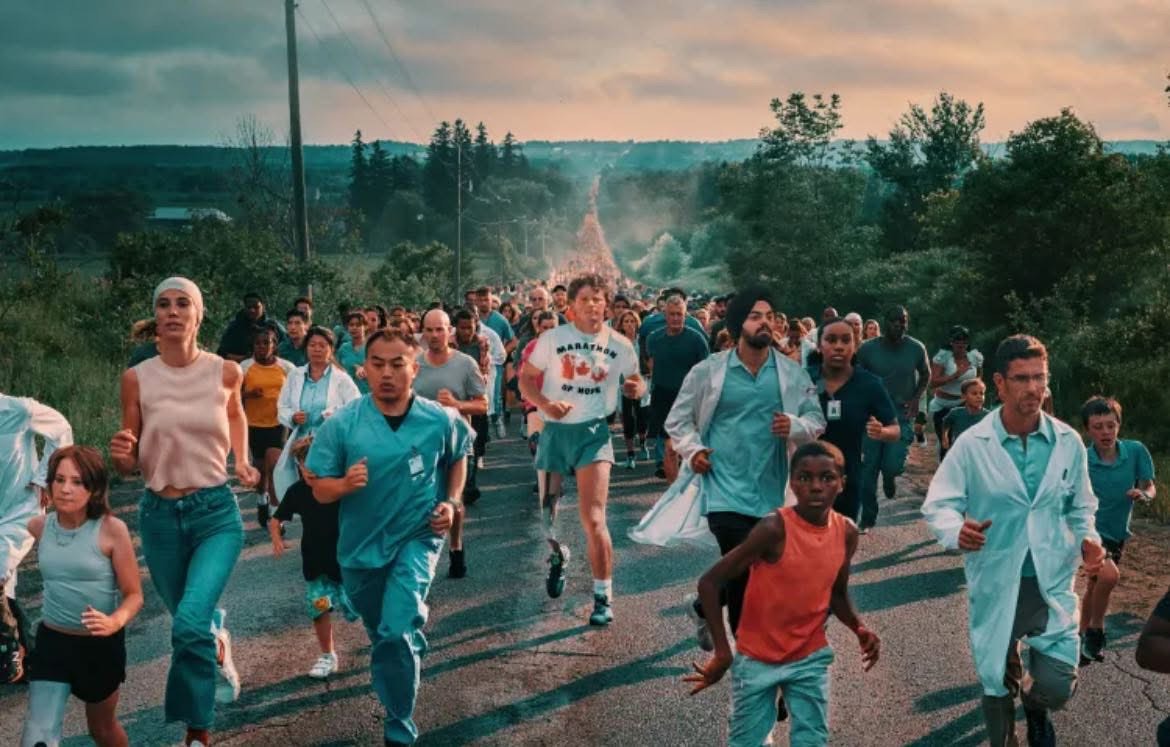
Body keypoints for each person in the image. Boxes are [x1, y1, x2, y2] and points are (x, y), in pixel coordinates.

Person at [922, 334, 1106, 747]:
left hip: (1048, 578)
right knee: (996, 679)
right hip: (997, 575)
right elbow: (939, 504)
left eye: (1039, 378)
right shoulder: (973, 445)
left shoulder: (1066, 442)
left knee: (1058, 684)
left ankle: (1036, 704)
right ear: (999, 384)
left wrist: (1088, 540)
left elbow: (1081, 505)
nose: (1033, 388)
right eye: (1021, 378)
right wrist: (956, 531)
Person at [630, 288, 825, 655]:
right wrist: (695, 450)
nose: (764, 322)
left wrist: (796, 425)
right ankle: (756, 664)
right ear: (737, 325)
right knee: (746, 576)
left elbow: (816, 419)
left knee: (754, 573)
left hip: (770, 491)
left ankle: (704, 606)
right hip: (723, 490)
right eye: (755, 316)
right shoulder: (709, 371)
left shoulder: (791, 373)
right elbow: (678, 421)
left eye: (769, 316)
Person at [109, 277, 259, 747]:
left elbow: (236, 414)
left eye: (183, 304)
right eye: (163, 304)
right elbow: (130, 458)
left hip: (215, 513)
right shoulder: (137, 377)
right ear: (156, 316)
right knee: (191, 623)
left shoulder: (225, 372)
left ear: (199, 315)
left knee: (187, 623)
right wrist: (121, 457)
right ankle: (216, 643)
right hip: (159, 517)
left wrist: (243, 460)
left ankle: (198, 732)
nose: (172, 311)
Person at [305, 330, 471, 746]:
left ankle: (399, 721)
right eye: (377, 363)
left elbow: (458, 457)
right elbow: (319, 489)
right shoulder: (343, 424)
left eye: (398, 364)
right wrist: (344, 485)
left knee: (396, 629)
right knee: (384, 632)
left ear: (414, 369)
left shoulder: (439, 419)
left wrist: (450, 503)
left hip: (417, 536)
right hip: (359, 551)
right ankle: (405, 650)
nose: (387, 373)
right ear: (365, 369)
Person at [684, 441, 879, 747]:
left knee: (812, 740)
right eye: (805, 477)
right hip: (757, 659)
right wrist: (724, 652)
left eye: (827, 477)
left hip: (809, 656)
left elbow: (837, 594)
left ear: (842, 483)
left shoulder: (847, 532)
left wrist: (859, 626)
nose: (816, 486)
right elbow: (710, 582)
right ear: (792, 483)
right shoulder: (774, 528)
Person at [519, 274, 645, 624]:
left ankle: (603, 598)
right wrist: (545, 403)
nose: (592, 304)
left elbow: (637, 379)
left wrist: (635, 388)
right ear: (571, 306)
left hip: (593, 432)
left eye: (598, 298)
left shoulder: (620, 343)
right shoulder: (551, 339)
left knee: (593, 518)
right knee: (547, 517)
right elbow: (526, 380)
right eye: (585, 298)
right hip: (555, 432)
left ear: (606, 304)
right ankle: (558, 554)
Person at [20, 446, 143, 747]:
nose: (65, 489)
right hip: (52, 643)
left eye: (77, 481)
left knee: (101, 730)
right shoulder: (38, 526)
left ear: (95, 488)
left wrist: (115, 621)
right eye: (59, 480)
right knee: (38, 735)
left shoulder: (112, 530)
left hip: (99, 647)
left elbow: (134, 595)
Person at [269, 436, 359, 680]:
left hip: (347, 563)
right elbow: (276, 519)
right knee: (319, 607)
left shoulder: (337, 487)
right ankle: (328, 655)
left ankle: (384, 640)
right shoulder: (297, 492)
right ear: (297, 465)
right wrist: (276, 537)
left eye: (314, 464)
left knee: (357, 608)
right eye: (303, 464)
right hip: (315, 564)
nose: (309, 470)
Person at [0, 394, 72, 682]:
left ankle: (9, 651)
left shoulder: (17, 410)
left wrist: (47, 477)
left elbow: (61, 429)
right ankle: (36, 661)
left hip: (21, 510)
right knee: (6, 591)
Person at [1079, 396, 1156, 663]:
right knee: (1109, 577)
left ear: (1119, 425)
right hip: (1089, 531)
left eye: (1110, 425)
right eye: (1098, 426)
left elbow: (1149, 485)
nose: (1105, 432)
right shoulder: (1082, 459)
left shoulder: (1135, 451)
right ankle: (1096, 632)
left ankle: (1078, 636)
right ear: (1088, 430)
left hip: (1117, 531)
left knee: (1095, 584)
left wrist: (1144, 494)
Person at [414, 308, 487, 579]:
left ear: (450, 331)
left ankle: (456, 546)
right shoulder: (414, 364)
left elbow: (483, 404)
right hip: (422, 445)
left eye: (440, 329)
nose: (434, 335)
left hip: (457, 444)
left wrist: (457, 404)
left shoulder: (465, 364)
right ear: (422, 332)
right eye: (429, 330)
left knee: (453, 499)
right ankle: (423, 554)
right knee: (421, 499)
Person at [809, 318, 900, 527]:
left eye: (845, 340)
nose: (838, 346)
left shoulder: (869, 384)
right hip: (806, 476)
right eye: (831, 340)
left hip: (847, 476)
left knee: (840, 544)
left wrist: (881, 432)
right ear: (819, 345)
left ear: (855, 345)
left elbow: (894, 430)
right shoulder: (805, 380)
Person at [272, 326, 362, 525]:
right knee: (308, 492)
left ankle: (332, 532)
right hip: (303, 447)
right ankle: (313, 535)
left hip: (330, 445)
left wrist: (333, 414)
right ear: (306, 348)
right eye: (312, 345)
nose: (317, 349)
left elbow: (356, 408)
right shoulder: (295, 375)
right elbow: (282, 406)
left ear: (331, 349)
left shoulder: (341, 378)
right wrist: (293, 417)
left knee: (328, 492)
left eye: (322, 345)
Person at [856, 305, 929, 528]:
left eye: (903, 321)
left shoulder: (916, 348)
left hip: (900, 413)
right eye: (895, 320)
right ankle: (867, 518)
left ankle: (889, 476)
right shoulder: (868, 349)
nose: (899, 324)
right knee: (869, 467)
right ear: (885, 322)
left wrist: (916, 397)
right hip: (873, 415)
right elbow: (855, 376)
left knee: (892, 464)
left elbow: (926, 373)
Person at [645, 295, 710, 480]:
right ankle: (673, 493)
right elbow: (651, 364)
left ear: (685, 315)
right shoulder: (654, 339)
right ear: (665, 315)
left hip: (689, 397)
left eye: (679, 315)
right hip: (663, 396)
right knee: (669, 447)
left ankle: (691, 489)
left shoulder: (697, 339)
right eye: (672, 314)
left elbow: (706, 372)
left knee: (689, 448)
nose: (675, 318)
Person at [241, 326, 296, 527]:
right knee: (260, 469)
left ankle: (275, 514)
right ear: (253, 346)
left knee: (274, 467)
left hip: (278, 423)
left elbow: (295, 393)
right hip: (254, 424)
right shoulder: (244, 367)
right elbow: (231, 396)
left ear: (274, 345)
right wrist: (248, 395)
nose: (263, 347)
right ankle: (261, 500)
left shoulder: (287, 368)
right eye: (258, 343)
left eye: (267, 343)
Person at [928, 325, 984, 460]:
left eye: (964, 341)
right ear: (951, 342)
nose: (961, 344)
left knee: (965, 440)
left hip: (965, 403)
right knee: (946, 443)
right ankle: (944, 468)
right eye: (957, 340)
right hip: (943, 405)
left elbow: (979, 379)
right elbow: (932, 383)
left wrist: (977, 396)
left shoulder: (975, 357)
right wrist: (955, 375)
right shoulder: (943, 357)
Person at [474, 287, 517, 439]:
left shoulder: (500, 320)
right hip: (474, 362)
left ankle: (497, 420)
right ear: (476, 301)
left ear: (491, 300)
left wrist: (502, 352)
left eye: (486, 300)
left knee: (496, 393)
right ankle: (482, 424)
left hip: (495, 364)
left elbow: (513, 340)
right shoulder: (472, 319)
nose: (483, 303)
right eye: (480, 300)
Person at [614, 309, 651, 468]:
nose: (629, 324)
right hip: (624, 384)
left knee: (642, 417)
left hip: (642, 381)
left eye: (632, 321)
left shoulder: (643, 341)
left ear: (637, 323)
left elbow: (649, 359)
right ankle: (630, 454)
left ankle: (642, 444)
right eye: (626, 321)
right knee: (628, 419)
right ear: (621, 325)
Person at [216, 292, 286, 362]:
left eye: (256, 307)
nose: (252, 310)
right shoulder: (235, 327)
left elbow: (287, 345)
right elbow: (222, 353)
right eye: (249, 307)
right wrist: (244, 359)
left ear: (263, 306)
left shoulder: (273, 326)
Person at [940, 379, 989, 452]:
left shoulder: (988, 416)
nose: (979, 396)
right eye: (974, 393)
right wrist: (945, 437)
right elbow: (945, 424)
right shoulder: (955, 413)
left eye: (981, 393)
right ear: (964, 396)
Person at [336, 311, 370, 394]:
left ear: (365, 327)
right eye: (351, 325)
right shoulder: (344, 348)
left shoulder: (372, 347)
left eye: (358, 325)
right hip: (347, 394)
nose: (354, 328)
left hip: (367, 393)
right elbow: (337, 368)